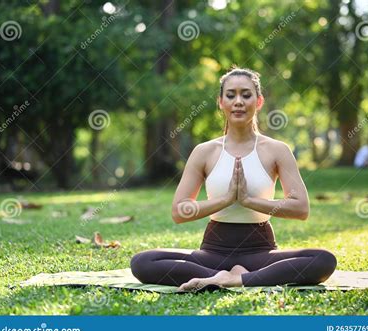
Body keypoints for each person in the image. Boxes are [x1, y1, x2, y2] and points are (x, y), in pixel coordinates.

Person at [130, 67, 337, 292]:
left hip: (260, 251)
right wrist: (227, 199)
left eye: (246, 95)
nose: (238, 101)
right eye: (231, 95)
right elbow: (179, 212)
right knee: (143, 262)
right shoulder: (204, 151)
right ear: (220, 102)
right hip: (213, 253)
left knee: (323, 260)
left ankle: (234, 280)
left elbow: (301, 208)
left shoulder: (277, 150)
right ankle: (224, 276)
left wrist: (248, 200)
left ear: (258, 102)